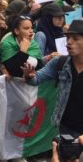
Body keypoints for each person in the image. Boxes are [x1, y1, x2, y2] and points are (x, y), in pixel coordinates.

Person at [23, 20, 83, 150]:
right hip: (66, 127)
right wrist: (29, 75)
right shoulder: (60, 63)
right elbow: (35, 79)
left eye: (75, 39)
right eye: (67, 38)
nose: (69, 42)